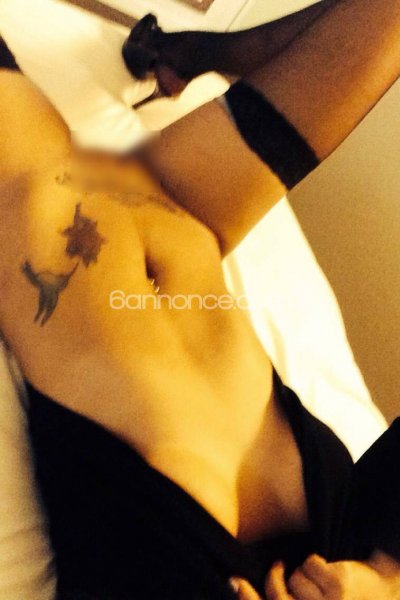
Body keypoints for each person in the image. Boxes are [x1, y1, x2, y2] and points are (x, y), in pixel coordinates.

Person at [0, 0, 400, 597]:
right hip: (188, 203)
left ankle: (185, 54)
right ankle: (194, 53)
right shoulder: (351, 555)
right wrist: (389, 580)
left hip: (32, 185)